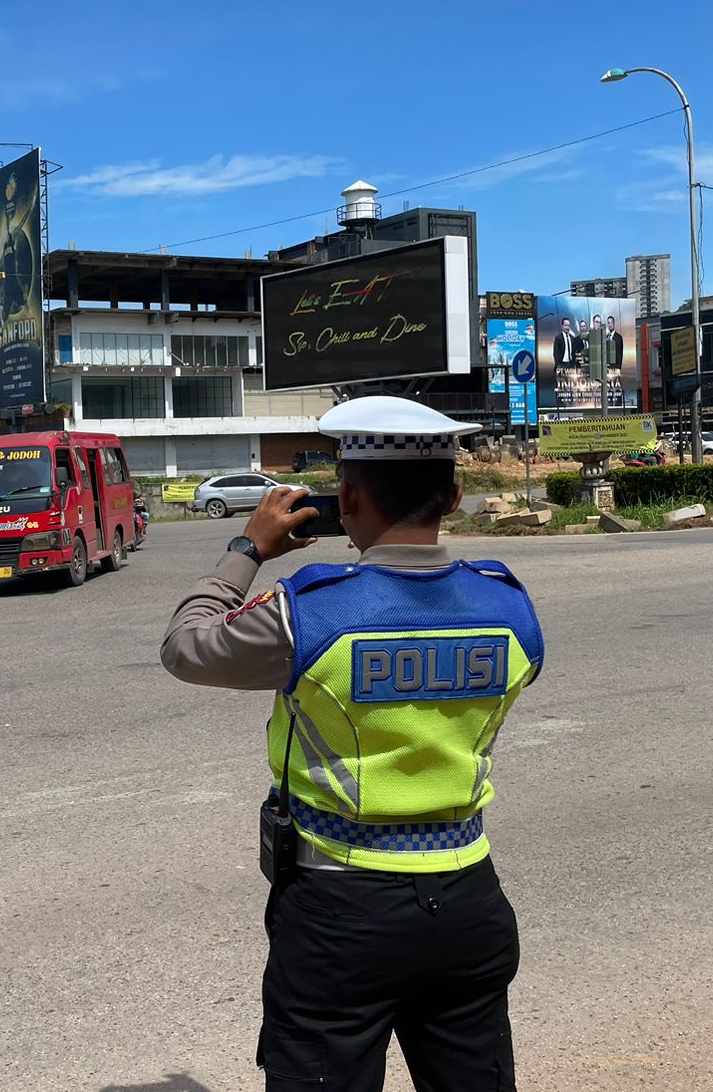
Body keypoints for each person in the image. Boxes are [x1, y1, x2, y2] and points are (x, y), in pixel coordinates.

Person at [161, 396, 545, 1091]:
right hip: (468, 900)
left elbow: (185, 647)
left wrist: (245, 549)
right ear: (455, 496)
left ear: (347, 496)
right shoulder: (511, 606)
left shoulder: (310, 613)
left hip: (340, 912)